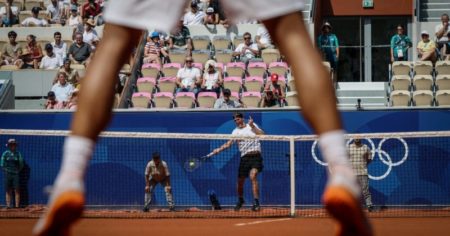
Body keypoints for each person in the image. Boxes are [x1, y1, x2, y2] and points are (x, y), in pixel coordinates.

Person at [33, 1, 373, 236]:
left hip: (250, 156)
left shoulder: (247, 126)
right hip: (245, 156)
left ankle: (70, 178)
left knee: (114, 42)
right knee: (294, 37)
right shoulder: (241, 129)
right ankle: (341, 172)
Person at [210, 112, 264, 211]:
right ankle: (240, 200)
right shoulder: (235, 132)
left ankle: (256, 203)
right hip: (244, 158)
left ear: (242, 119)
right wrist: (218, 150)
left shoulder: (251, 125)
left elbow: (263, 135)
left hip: (256, 156)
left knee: (253, 176)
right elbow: (228, 144)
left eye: (238, 119)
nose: (236, 121)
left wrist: (253, 126)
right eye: (235, 120)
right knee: (240, 182)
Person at [347, 139, 374, 212]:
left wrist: (363, 165)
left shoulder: (366, 147)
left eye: (358, 138)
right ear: (353, 139)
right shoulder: (348, 147)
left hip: (363, 172)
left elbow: (370, 158)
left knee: (365, 190)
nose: (357, 139)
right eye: (355, 138)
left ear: (360, 139)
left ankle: (369, 205)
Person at [1, 139, 24, 209]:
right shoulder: (5, 153)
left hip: (16, 174)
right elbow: (2, 164)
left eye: (13, 144)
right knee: (8, 190)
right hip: (8, 174)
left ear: (15, 145)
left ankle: (17, 206)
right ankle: (8, 206)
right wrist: (6, 170)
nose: (12, 146)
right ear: (9, 145)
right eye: (11, 144)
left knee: (17, 189)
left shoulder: (18, 153)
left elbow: (21, 164)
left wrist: (17, 171)